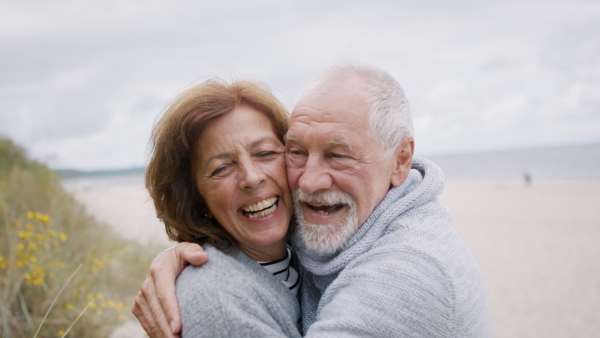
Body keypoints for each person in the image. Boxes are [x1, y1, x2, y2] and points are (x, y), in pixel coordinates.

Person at [133, 65, 492, 337]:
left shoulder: (408, 275)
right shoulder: (328, 225)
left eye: (338, 155)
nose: (309, 179)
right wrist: (183, 258)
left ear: (399, 161)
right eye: (298, 152)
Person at [133, 79, 302, 337]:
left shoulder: (310, 251)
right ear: (197, 199)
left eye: (266, 153)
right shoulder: (219, 303)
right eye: (222, 168)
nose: (252, 177)